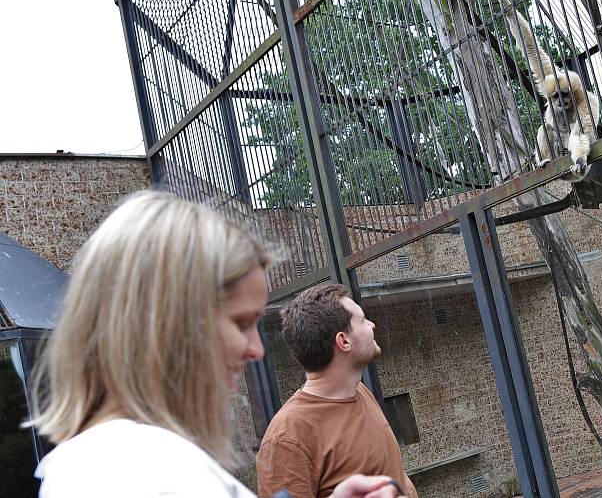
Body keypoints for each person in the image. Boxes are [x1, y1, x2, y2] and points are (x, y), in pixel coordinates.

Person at [29, 190, 404, 498]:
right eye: (240, 322)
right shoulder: (143, 477)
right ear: (162, 319)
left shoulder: (113, 462)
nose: (256, 350)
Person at [257, 284, 418, 498]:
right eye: (362, 320)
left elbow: (394, 474)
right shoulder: (287, 438)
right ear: (343, 341)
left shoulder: (359, 391)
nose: (372, 324)